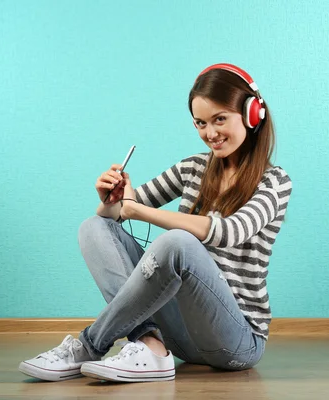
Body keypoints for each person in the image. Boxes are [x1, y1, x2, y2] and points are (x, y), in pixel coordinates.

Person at [18, 63, 292, 383]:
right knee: (93, 227)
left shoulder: (274, 181)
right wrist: (110, 202)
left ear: (252, 113)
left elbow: (228, 231)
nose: (210, 133)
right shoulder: (193, 168)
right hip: (182, 340)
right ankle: (151, 346)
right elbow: (121, 211)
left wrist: (136, 210)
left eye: (220, 119)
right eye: (201, 123)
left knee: (178, 242)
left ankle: (89, 345)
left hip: (237, 342)